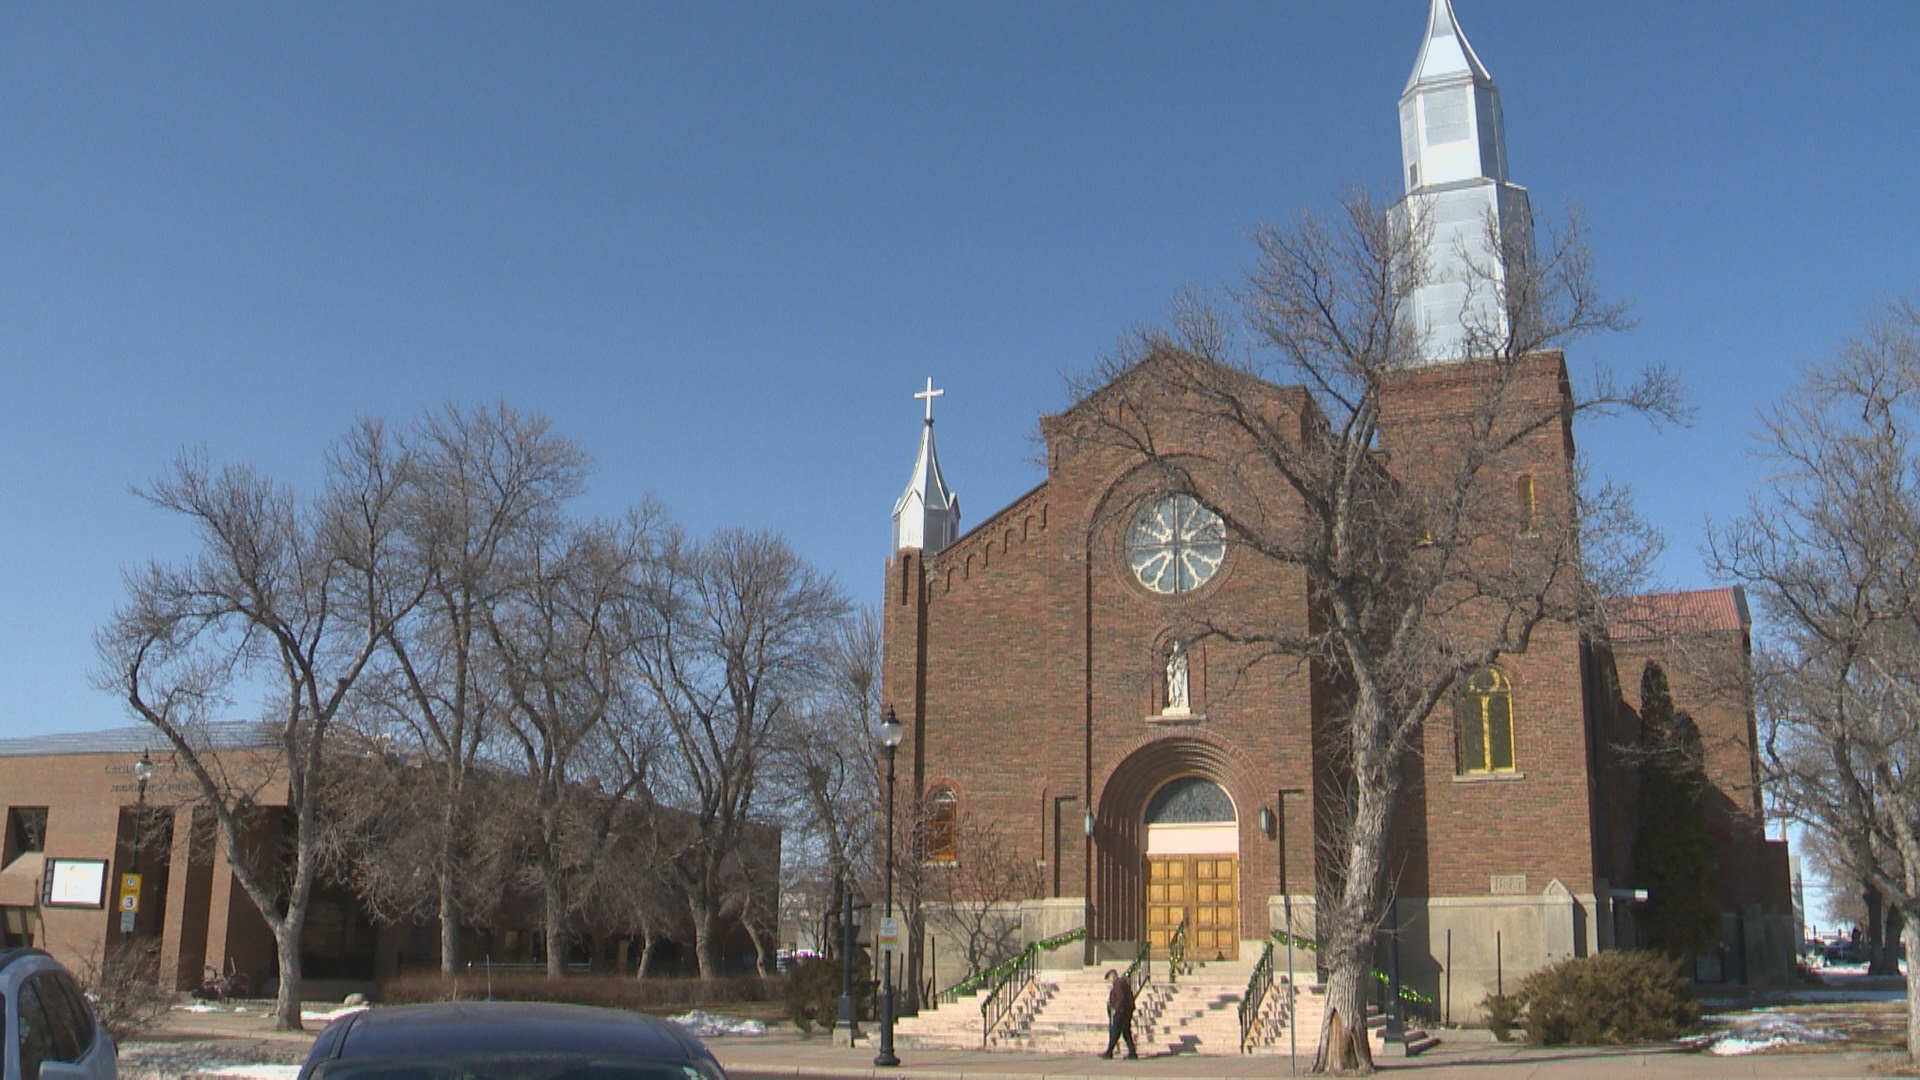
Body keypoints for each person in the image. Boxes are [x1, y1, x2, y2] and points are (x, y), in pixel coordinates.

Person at [1099, 968, 1138, 1059]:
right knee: (1125, 1032)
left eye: (1109, 978)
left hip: (1122, 1012)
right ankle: (1132, 1052)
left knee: (1115, 1032)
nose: (1109, 981)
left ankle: (1109, 1052)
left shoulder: (1119, 984)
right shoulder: (1121, 983)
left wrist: (1117, 1008)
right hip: (1126, 1011)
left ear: (1113, 976)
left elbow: (1121, 999)